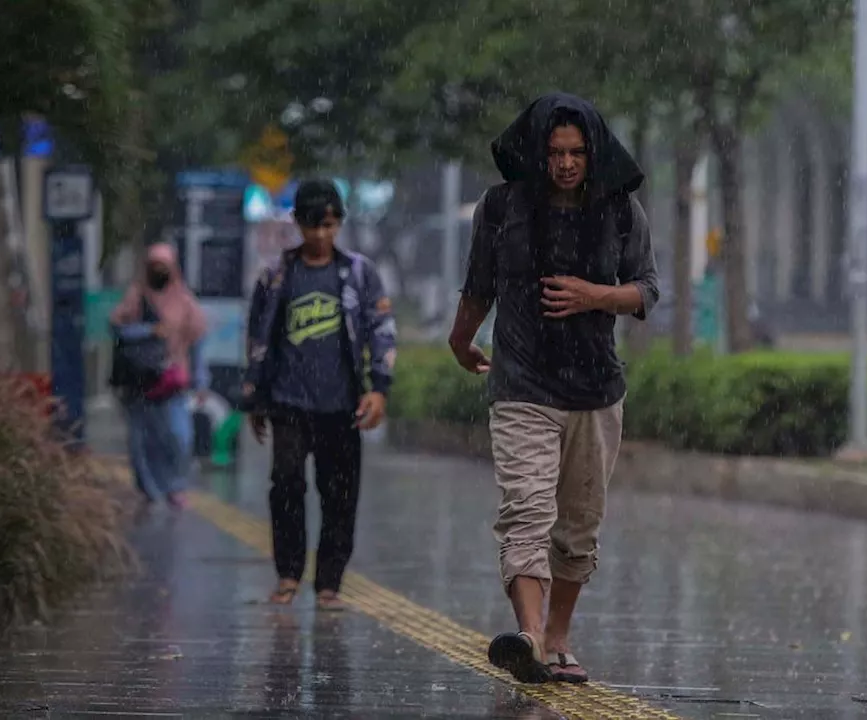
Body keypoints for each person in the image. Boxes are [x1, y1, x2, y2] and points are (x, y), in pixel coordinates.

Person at [448, 92, 660, 684]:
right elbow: (477, 287)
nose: (566, 164)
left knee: (578, 525)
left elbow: (646, 290)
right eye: (555, 152)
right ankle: (531, 638)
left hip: (596, 389)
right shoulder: (499, 208)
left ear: (593, 155)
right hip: (521, 384)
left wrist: (595, 295)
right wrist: (461, 340)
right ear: (536, 155)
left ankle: (559, 636)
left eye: (577, 153)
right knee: (526, 510)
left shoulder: (621, 211)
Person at [241, 179, 396, 612]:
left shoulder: (358, 273)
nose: (321, 235)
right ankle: (288, 574)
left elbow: (381, 331)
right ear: (298, 224)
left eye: (329, 225)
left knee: (340, 495)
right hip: (288, 403)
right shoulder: (276, 276)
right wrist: (255, 397)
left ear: (339, 223)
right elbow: (257, 337)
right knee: (286, 487)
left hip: (342, 405)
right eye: (313, 226)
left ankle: (329, 582)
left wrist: (380, 389)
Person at [110, 243, 208, 508]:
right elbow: (118, 328)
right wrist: (150, 331)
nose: (159, 272)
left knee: (179, 436)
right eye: (154, 267)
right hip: (139, 381)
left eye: (164, 266)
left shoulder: (185, 301)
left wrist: (200, 381)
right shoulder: (135, 297)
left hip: (172, 380)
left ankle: (175, 486)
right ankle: (149, 489)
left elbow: (197, 341)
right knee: (141, 441)